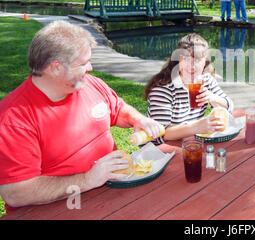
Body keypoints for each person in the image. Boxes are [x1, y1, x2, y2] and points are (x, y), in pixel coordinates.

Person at [0, 20, 162, 212]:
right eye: (83, 63)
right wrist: (88, 179)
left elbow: (119, 109)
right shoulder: (14, 118)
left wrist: (138, 119)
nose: (90, 68)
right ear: (56, 67)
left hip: (114, 196)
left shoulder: (89, 84)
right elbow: (16, 192)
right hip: (61, 210)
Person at [143, 34, 234, 144]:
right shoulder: (163, 90)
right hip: (158, 151)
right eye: (186, 59)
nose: (191, 66)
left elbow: (229, 106)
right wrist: (197, 127)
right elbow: (160, 133)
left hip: (186, 142)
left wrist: (212, 97)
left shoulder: (206, 81)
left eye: (197, 60)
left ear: (205, 62)